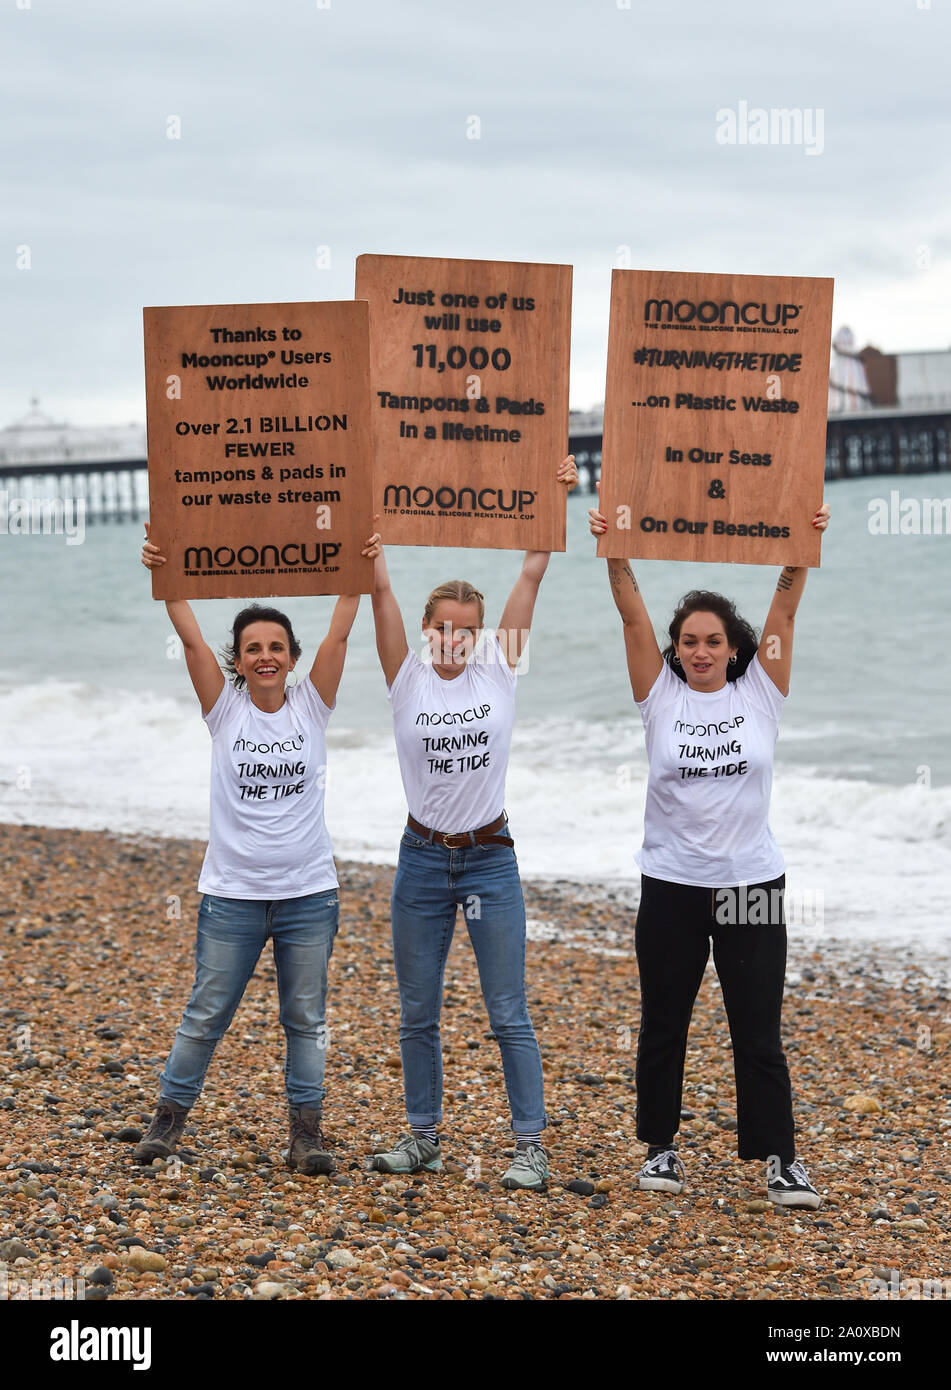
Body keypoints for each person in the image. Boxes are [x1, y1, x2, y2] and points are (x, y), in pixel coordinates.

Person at [589, 491, 830, 1208]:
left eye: (713, 641)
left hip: (751, 883)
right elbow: (630, 612)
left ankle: (779, 1159)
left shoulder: (760, 693)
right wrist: (613, 547)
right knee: (664, 1021)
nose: (700, 651)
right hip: (669, 884)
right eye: (689, 641)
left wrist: (799, 551)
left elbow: (784, 611)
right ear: (676, 649)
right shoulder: (657, 696)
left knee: (756, 1028)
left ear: (733, 649)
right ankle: (660, 1148)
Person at [134, 522, 373, 1175]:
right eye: (251, 648)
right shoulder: (224, 709)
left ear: (292, 657)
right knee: (206, 1013)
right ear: (236, 661)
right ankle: (167, 1122)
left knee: (305, 1019)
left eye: (275, 647)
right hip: (232, 897)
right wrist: (165, 571)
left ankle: (305, 1135)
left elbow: (341, 633)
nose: (264, 655)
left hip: (307, 896)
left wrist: (358, 568)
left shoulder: (312, 707)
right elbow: (187, 636)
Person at [367, 456, 578, 1191]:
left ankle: (529, 1146)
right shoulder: (405, 677)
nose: (454, 639)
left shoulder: (498, 667)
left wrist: (550, 501)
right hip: (422, 859)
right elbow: (378, 586)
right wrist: (365, 522)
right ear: (426, 631)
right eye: (442, 628)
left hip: (490, 858)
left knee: (507, 1010)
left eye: (466, 629)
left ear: (480, 634)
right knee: (417, 1011)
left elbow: (530, 575)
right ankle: (421, 1138)